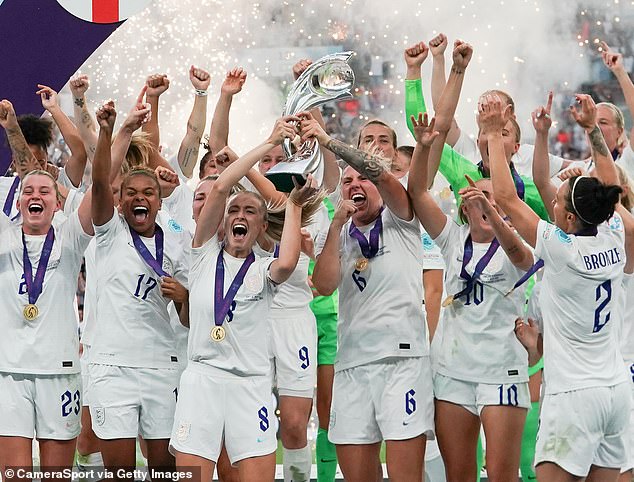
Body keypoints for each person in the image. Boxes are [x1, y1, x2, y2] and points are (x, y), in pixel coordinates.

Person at [488, 92, 633, 481]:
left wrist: (489, 135)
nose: (550, 201)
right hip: (616, 392)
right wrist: (592, 131)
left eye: (558, 201)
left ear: (569, 217)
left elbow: (504, 196)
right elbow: (611, 188)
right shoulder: (615, 234)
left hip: (573, 396)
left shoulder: (561, 247)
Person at [169, 116, 320, 482]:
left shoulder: (263, 269)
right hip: (202, 380)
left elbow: (287, 263)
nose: (239, 215)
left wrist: (295, 205)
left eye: (250, 211)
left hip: (251, 385)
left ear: (260, 225)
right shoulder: (203, 255)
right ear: (222, 222)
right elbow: (220, 188)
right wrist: (269, 142)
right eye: (234, 211)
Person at [304, 112, 435, 482]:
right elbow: (325, 285)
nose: (354, 185)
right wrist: (334, 226)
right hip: (352, 364)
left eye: (362, 178)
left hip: (402, 361)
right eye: (347, 182)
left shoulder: (403, 216)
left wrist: (329, 141)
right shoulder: (341, 234)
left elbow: (381, 174)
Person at [408, 110, 533, 482]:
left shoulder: (521, 242)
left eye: (494, 200)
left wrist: (495, 210)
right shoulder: (451, 238)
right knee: (458, 474)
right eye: (479, 198)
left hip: (502, 371)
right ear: (465, 205)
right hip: (452, 371)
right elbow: (416, 192)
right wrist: (423, 147)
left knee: (500, 474)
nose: (487, 204)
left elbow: (518, 256)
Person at [89, 100, 189, 479]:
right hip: (113, 366)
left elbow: (189, 317)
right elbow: (99, 181)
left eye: (148, 192)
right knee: (120, 471)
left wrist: (184, 297)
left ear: (159, 202)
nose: (139, 198)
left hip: (162, 364)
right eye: (130, 192)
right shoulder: (109, 233)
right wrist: (109, 131)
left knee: (165, 468)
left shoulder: (176, 242)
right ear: (120, 201)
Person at [0, 99, 94, 476]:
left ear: (59, 202)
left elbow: (85, 175)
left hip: (59, 368)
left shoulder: (70, 235)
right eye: (28, 191)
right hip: (9, 370)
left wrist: (14, 131)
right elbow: (29, 178)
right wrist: (11, 131)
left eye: (46, 190)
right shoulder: (6, 232)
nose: (35, 194)